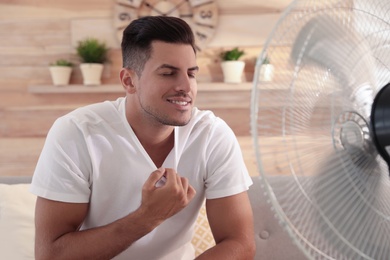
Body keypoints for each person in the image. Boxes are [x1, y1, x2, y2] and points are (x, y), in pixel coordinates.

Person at [30, 16, 255, 260]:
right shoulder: (77, 133)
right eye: (168, 73)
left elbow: (240, 243)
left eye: (191, 73)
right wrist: (148, 217)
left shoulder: (212, 135)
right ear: (129, 81)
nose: (186, 86)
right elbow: (51, 255)